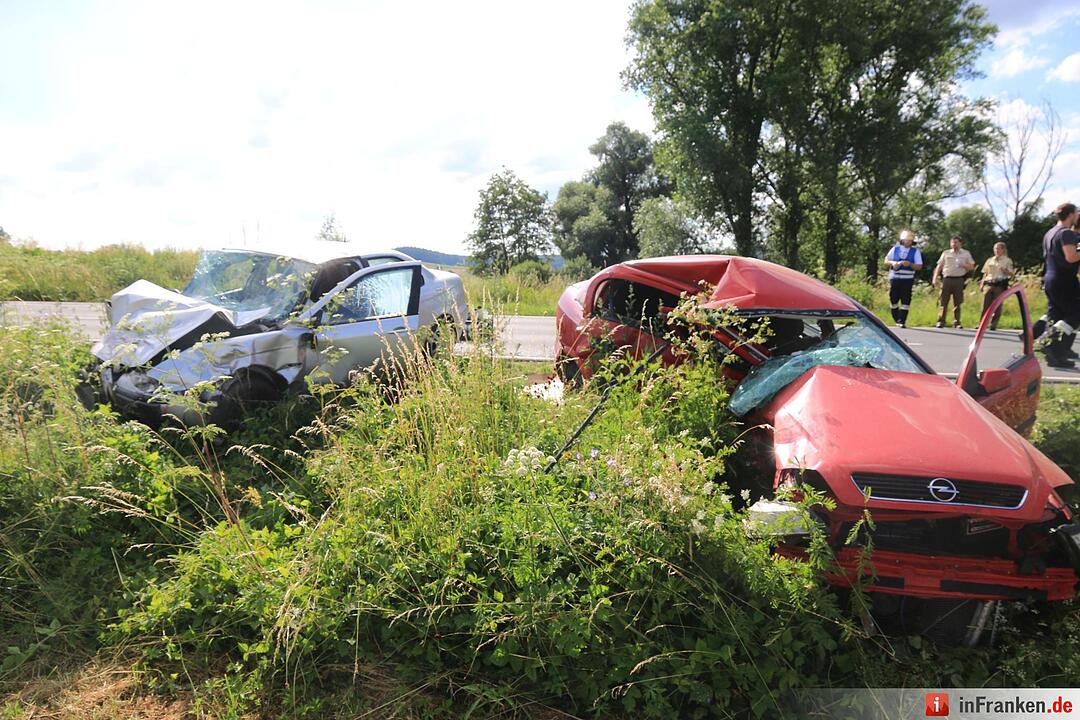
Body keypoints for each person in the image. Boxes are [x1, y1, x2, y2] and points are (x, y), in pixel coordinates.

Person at [1039, 202, 1080, 368]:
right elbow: (1071, 257)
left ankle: (1055, 356)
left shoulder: (1050, 233)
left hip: (1050, 278)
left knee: (1056, 315)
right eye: (1076, 213)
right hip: (1064, 279)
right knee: (1075, 314)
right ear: (1070, 214)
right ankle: (1045, 339)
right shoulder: (1066, 234)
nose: (1077, 216)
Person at [931, 236, 976, 328]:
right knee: (943, 301)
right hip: (947, 279)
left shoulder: (966, 253)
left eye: (956, 242)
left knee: (958, 302)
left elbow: (972, 267)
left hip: (959, 279)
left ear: (960, 243)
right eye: (952, 242)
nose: (954, 244)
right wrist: (935, 277)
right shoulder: (946, 253)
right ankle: (941, 321)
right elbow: (939, 266)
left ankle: (957, 322)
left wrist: (964, 265)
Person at [883, 230, 923, 328]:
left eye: (910, 240)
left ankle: (902, 320)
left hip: (907, 279)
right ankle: (896, 317)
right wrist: (893, 263)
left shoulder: (915, 251)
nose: (908, 242)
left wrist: (910, 264)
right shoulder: (895, 249)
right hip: (895, 278)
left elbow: (919, 266)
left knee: (906, 300)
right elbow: (886, 260)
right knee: (893, 299)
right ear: (902, 240)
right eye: (906, 240)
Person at [979, 242, 1015, 330]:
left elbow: (1011, 274)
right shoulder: (990, 260)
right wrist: (982, 284)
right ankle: (982, 324)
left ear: (1003, 250)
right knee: (985, 305)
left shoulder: (1007, 260)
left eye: (998, 249)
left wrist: (1005, 271)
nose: (996, 250)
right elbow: (985, 273)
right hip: (989, 283)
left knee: (997, 306)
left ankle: (993, 324)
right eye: (995, 248)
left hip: (999, 284)